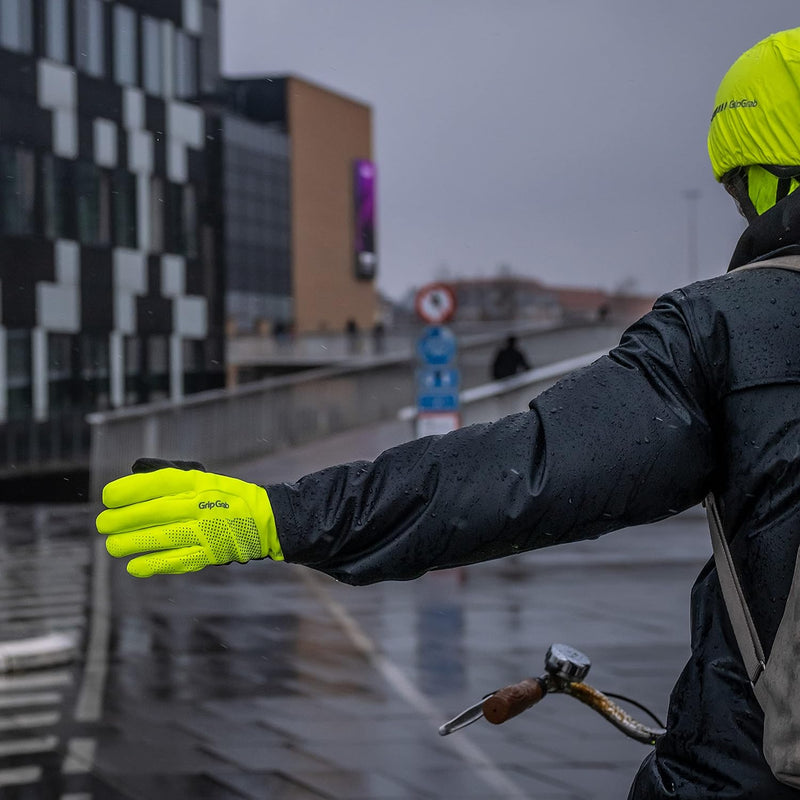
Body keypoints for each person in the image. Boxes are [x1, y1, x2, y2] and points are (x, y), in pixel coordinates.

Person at [96, 29, 800, 798]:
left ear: (772, 177)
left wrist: (280, 517)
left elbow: (524, 469)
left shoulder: (736, 327)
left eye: (739, 188)